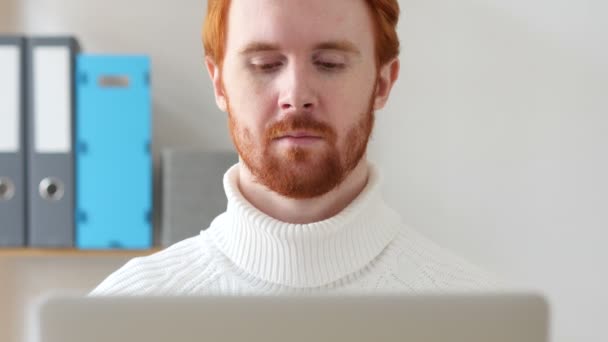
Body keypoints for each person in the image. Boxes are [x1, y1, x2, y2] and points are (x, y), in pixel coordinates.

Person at [91, 0, 501, 296]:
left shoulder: (477, 313)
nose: (297, 94)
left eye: (330, 63)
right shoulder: (124, 312)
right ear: (219, 84)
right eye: (265, 64)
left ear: (382, 82)